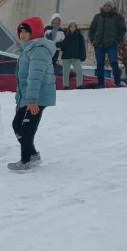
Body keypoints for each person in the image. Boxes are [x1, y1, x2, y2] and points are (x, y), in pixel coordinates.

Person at [9, 17, 57, 172]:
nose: (22, 35)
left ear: (34, 32)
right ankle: (33, 155)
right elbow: (23, 78)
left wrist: (32, 101)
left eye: (26, 31)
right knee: (18, 125)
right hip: (29, 97)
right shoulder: (28, 49)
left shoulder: (39, 50)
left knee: (26, 128)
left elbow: (35, 77)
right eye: (20, 31)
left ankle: (26, 160)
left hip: (37, 97)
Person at [88, 0, 127, 88]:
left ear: (111, 7)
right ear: (103, 7)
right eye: (105, 5)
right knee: (100, 64)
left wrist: (118, 40)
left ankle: (117, 82)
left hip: (111, 44)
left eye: (109, 6)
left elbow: (122, 30)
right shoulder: (97, 17)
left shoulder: (117, 17)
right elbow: (92, 29)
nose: (107, 7)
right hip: (99, 44)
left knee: (114, 62)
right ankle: (100, 83)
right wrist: (92, 39)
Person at [59, 22, 87, 89]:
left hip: (76, 57)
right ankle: (66, 86)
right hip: (66, 57)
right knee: (66, 72)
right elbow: (61, 46)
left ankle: (79, 85)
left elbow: (82, 47)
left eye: (74, 26)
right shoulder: (65, 35)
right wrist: (58, 43)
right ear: (69, 27)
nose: (72, 28)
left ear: (76, 27)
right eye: (71, 26)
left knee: (79, 71)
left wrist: (83, 56)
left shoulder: (80, 36)